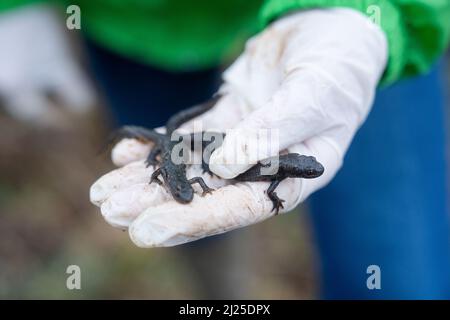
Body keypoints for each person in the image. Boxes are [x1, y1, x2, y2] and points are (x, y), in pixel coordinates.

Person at [1, 1, 450, 299]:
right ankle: (219, 291)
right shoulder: (179, 166)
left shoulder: (282, 168)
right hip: (134, 20)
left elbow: (265, 177)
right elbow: (172, 152)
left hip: (340, 21)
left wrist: (363, 14)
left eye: (303, 169)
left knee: (398, 276)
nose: (302, 170)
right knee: (187, 207)